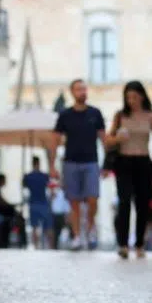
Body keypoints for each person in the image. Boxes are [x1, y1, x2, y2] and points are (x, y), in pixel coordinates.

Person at [105, 81, 152, 259]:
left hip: (144, 161)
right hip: (124, 161)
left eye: (135, 97)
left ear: (142, 96)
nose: (131, 101)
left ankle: (139, 244)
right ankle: (123, 244)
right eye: (128, 97)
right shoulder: (120, 116)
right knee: (124, 202)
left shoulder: (151, 117)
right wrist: (117, 138)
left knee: (143, 203)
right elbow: (108, 140)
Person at [49, 79, 106, 251]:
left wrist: (109, 163)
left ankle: (90, 229)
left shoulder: (95, 113)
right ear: (72, 92)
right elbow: (55, 140)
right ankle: (76, 235)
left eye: (84, 88)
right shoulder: (65, 115)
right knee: (73, 201)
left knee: (92, 199)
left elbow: (104, 139)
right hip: (70, 162)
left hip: (91, 162)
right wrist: (52, 165)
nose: (82, 91)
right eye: (78, 89)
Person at [21, 156, 52, 249]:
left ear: (32, 163)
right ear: (38, 163)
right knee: (47, 227)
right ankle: (50, 246)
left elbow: (23, 185)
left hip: (33, 203)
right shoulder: (44, 176)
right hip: (43, 203)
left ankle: (36, 246)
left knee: (34, 227)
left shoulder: (28, 176)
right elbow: (50, 186)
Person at [0, 173, 19, 249]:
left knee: (12, 212)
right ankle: (5, 241)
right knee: (11, 214)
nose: (5, 182)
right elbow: (0, 201)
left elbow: (2, 200)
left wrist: (9, 205)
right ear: (1, 180)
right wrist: (9, 205)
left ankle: (9, 238)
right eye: (4, 180)